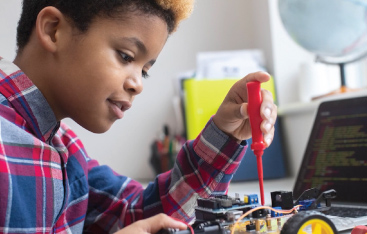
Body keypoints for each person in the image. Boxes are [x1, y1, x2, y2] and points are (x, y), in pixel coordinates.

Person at [0, 0, 277, 233]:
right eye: (125, 56)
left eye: (144, 70)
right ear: (53, 30)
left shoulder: (68, 153)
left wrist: (225, 133)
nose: (138, 85)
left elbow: (141, 213)